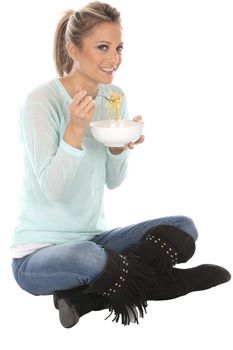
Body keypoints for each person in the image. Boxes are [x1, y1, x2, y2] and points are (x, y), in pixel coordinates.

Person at [12, 1, 231, 328]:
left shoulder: (114, 97)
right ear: (73, 48)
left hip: (94, 239)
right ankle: (169, 284)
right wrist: (74, 130)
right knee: (86, 258)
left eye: (118, 48)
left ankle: (84, 299)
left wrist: (119, 149)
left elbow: (113, 181)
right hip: (38, 255)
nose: (113, 59)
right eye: (102, 47)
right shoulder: (41, 101)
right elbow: (53, 189)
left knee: (183, 228)